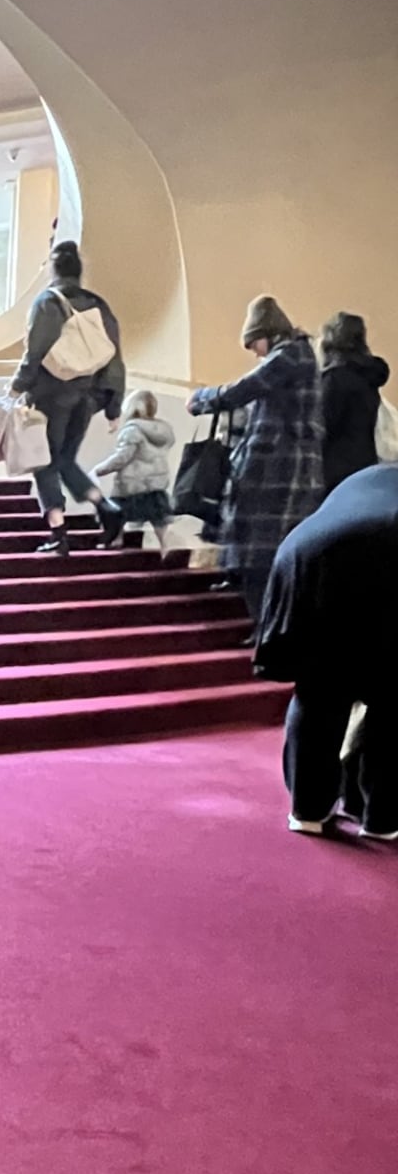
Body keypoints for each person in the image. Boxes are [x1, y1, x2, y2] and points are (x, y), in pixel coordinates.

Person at [254, 464, 398, 840]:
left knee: (320, 690)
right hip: (385, 559)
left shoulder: (371, 477)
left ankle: (308, 810)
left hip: (313, 555)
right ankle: (381, 818)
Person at [189, 295, 323, 621]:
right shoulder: (296, 357)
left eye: (254, 342)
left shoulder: (289, 357)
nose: (254, 351)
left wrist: (203, 398)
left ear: (269, 332)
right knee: (261, 554)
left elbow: (244, 389)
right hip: (284, 468)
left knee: (260, 555)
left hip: (279, 471)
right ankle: (264, 626)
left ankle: (266, 629)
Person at [10, 240, 126, 557]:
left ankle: (58, 534)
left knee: (44, 461)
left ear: (53, 267)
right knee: (64, 459)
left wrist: (18, 386)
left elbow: (35, 350)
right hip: (87, 396)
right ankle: (107, 508)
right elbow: (113, 355)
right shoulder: (97, 304)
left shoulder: (48, 301)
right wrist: (113, 403)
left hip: (51, 395)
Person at [89, 388, 178, 553]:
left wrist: (99, 470)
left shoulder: (132, 430)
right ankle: (165, 545)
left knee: (116, 511)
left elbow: (122, 457)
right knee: (157, 515)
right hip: (155, 482)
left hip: (132, 481)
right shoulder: (162, 430)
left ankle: (116, 538)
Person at [318, 312, 389, 492]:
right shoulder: (368, 377)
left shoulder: (335, 380)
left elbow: (321, 427)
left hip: (335, 475)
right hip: (366, 466)